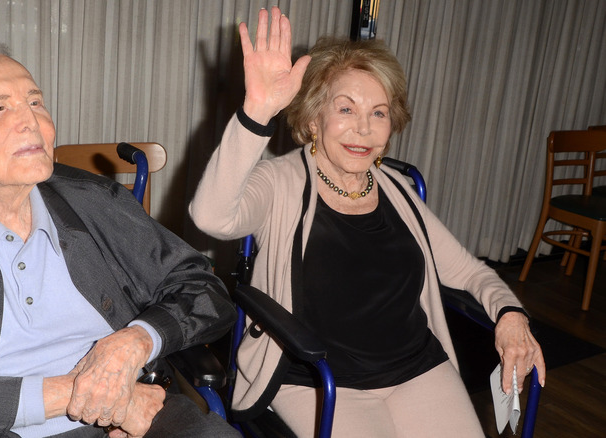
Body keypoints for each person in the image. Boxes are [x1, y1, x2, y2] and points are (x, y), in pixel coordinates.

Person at [0, 36, 238, 438]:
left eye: (35, 102)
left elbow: (204, 291)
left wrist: (133, 343)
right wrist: (103, 396)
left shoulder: (96, 200)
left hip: (140, 409)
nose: (31, 121)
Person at [190, 7, 546, 437]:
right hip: (319, 379)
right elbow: (209, 215)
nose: (363, 128)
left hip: (417, 370)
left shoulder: (396, 188)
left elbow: (469, 271)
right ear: (312, 120)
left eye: (379, 113)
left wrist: (511, 316)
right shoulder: (279, 182)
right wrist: (256, 113)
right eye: (346, 108)